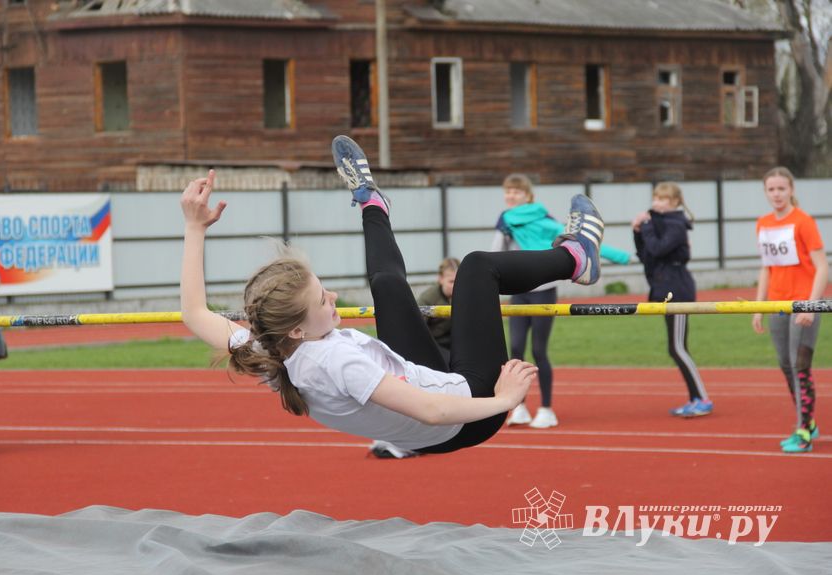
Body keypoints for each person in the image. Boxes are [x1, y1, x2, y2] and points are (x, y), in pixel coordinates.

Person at [179, 136, 606, 456]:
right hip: (468, 411)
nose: (332, 297)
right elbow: (432, 412)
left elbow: (196, 313)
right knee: (477, 267)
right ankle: (576, 258)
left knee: (386, 285)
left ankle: (370, 201)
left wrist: (194, 227)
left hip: (424, 384)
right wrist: (506, 399)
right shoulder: (336, 362)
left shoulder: (271, 352)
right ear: (297, 328)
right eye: (321, 299)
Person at [491, 174, 629, 429]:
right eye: (507, 191)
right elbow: (495, 251)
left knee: (539, 350)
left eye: (516, 192)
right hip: (518, 290)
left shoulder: (544, 221)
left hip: (543, 290)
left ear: (527, 195)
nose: (511, 196)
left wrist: (621, 257)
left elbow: (579, 242)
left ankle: (546, 408)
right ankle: (518, 406)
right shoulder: (505, 221)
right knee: (516, 349)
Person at [752, 167, 826, 453]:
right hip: (776, 304)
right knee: (786, 364)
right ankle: (808, 421)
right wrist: (758, 307)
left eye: (782, 188)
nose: (777, 194)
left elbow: (822, 267)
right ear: (766, 192)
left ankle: (803, 430)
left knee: (800, 366)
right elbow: (767, 267)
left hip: (803, 303)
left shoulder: (803, 221)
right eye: (771, 189)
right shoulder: (763, 223)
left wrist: (810, 303)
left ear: (791, 189)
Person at [632, 182, 712, 417]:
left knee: (677, 347)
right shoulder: (660, 223)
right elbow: (646, 255)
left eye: (664, 199)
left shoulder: (676, 225)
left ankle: (702, 398)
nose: (657, 202)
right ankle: (696, 398)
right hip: (664, 288)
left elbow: (658, 249)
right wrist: (636, 232)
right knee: (676, 347)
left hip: (677, 290)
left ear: (675, 202)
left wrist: (645, 227)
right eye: (656, 197)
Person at [416, 257, 460, 362]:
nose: (456, 286)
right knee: (451, 361)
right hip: (434, 343)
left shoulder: (466, 295)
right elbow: (417, 329)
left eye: (459, 281)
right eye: (451, 281)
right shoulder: (427, 298)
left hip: (458, 342)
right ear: (440, 279)